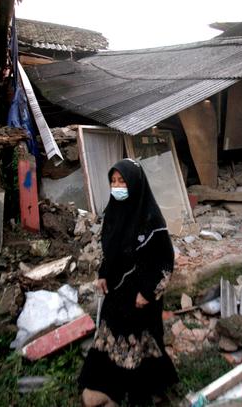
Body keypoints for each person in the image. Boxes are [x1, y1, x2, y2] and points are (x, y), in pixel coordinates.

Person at [79, 158, 177, 406]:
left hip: (140, 297)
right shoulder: (112, 213)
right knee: (111, 335)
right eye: (113, 181)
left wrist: (147, 292)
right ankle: (110, 384)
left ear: (135, 183)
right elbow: (109, 252)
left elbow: (165, 261)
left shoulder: (152, 221)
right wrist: (102, 274)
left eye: (122, 180)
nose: (117, 186)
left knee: (139, 343)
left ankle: (144, 387)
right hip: (116, 292)